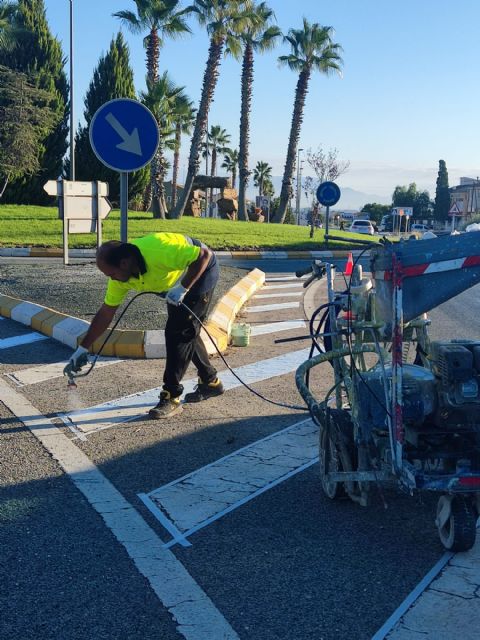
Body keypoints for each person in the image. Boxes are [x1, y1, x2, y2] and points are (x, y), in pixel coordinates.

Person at [65, 233, 224, 419]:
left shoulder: (158, 251)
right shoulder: (119, 276)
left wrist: (183, 288)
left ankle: (171, 396)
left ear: (124, 263)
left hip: (200, 270)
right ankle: (211, 382)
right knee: (186, 330)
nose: (112, 279)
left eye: (111, 274)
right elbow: (106, 313)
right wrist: (83, 348)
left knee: (177, 332)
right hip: (173, 281)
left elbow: (204, 256)